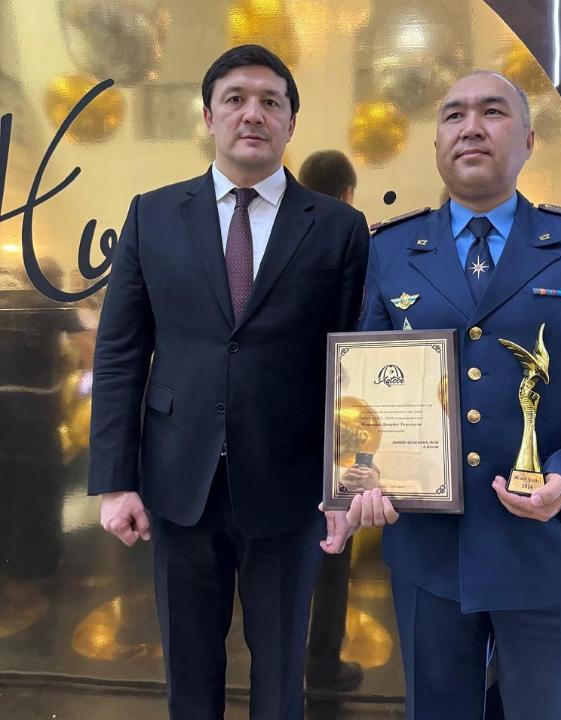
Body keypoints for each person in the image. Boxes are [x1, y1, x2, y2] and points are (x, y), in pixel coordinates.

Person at [351, 71, 561, 719]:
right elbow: (366, 384)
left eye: (492, 112)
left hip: (547, 549)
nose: (471, 127)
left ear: (527, 141)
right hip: (429, 554)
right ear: (436, 144)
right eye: (453, 115)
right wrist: (363, 472)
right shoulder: (390, 250)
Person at [88, 44, 369, 720]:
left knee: (281, 681)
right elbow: (121, 354)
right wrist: (115, 480)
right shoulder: (153, 215)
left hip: (289, 486)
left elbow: (354, 364)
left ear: (291, 123)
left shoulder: (338, 228)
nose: (253, 114)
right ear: (209, 116)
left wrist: (347, 482)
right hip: (177, 482)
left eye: (271, 101)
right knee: (188, 678)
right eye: (235, 99)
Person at [297, 149, 364, 693]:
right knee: (333, 548)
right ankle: (322, 664)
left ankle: (275, 660)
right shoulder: (353, 239)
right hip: (338, 424)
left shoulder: (273, 240)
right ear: (346, 194)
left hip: (278, 427)